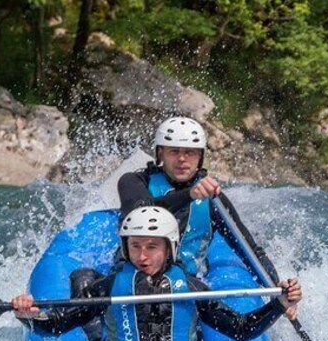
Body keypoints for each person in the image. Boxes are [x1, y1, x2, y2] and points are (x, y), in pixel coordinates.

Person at [12, 206, 302, 341]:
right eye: (135, 245)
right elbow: (59, 325)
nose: (143, 255)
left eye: (152, 246)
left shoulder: (190, 289)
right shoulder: (109, 287)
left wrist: (278, 305)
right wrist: (29, 315)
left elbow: (240, 329)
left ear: (170, 248)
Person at [117, 116, 299, 320]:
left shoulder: (214, 201)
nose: (182, 159)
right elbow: (141, 213)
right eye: (174, 151)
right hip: (134, 277)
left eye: (190, 153)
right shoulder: (134, 181)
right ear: (161, 153)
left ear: (200, 157)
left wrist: (276, 288)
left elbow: (248, 249)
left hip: (184, 284)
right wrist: (189, 195)